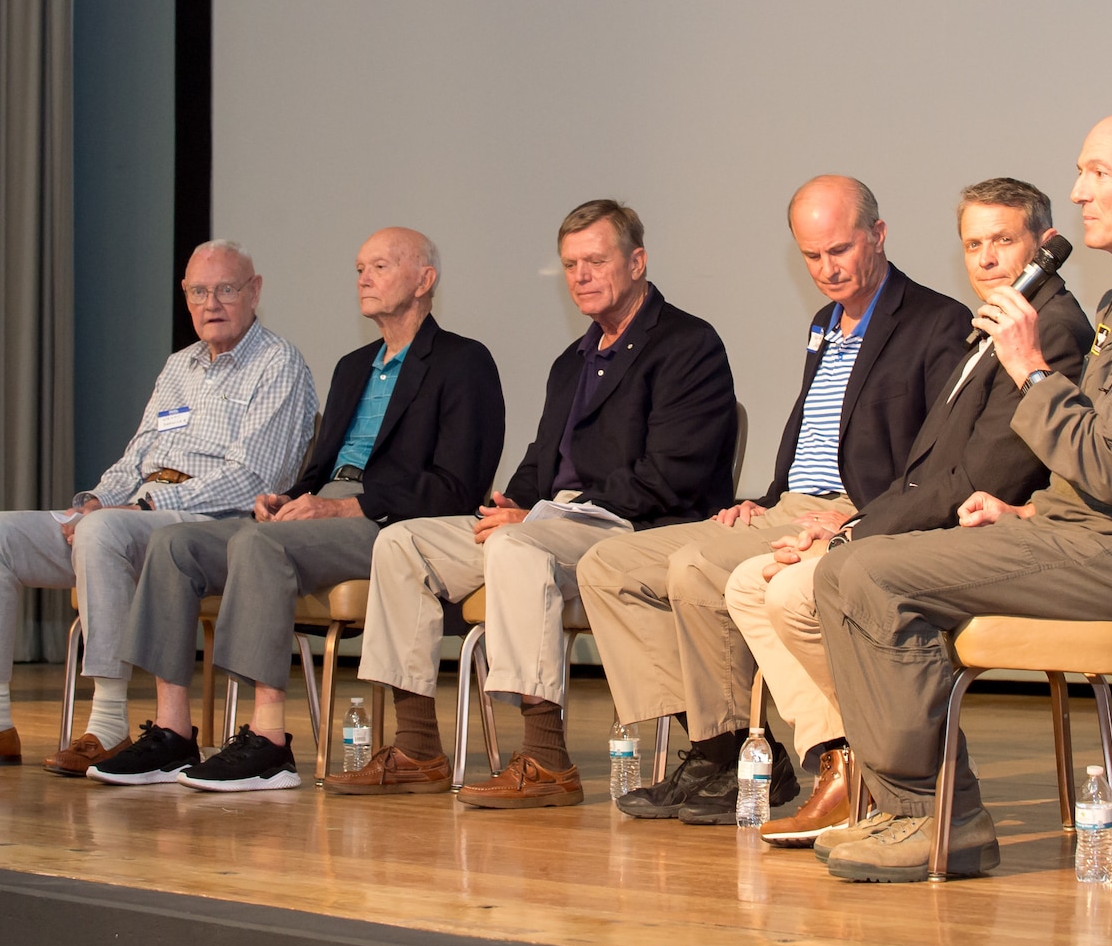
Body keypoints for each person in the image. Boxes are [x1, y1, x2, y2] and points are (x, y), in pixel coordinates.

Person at [815, 110, 1112, 882]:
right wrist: (1024, 511)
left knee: (863, 573)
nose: (1079, 192)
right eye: (1081, 173)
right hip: (1089, 536)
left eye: (1098, 173)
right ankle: (904, 807)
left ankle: (938, 813)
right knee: (857, 566)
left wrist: (1032, 370)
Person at [579, 176, 971, 826]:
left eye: (839, 249)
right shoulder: (824, 323)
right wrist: (760, 500)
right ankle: (711, 745)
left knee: (697, 566)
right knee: (609, 565)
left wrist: (865, 514)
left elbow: (938, 453)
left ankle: (743, 754)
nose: (826, 269)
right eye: (811, 256)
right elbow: (814, 433)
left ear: (878, 234)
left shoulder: (935, 321)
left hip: (852, 511)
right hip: (788, 503)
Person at [328, 199, 737, 807]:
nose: (581, 276)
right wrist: (512, 501)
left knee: (516, 545)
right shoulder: (570, 362)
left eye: (596, 260)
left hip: (631, 524)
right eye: (570, 264)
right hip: (555, 521)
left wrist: (537, 517)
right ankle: (416, 748)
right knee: (402, 541)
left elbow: (671, 475)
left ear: (638, 262)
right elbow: (543, 459)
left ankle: (546, 758)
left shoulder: (687, 344)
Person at [723, 178, 1093, 846]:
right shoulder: (997, 325)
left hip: (984, 540)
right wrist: (840, 526)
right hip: (932, 522)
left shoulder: (1049, 329)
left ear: (1044, 244)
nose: (984, 259)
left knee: (804, 587)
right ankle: (845, 763)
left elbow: (981, 476)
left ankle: (896, 780)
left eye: (1002, 241)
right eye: (973, 244)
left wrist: (853, 536)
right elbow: (925, 470)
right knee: (751, 583)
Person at [88, 228, 504, 790]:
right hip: (319, 518)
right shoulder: (353, 366)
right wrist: (287, 498)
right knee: (175, 543)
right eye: (360, 266)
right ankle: (172, 733)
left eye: (380, 266)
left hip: (389, 526)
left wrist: (344, 510)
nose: (363, 277)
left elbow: (457, 486)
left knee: (257, 544)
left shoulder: (463, 361)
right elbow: (318, 470)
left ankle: (268, 741)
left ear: (425, 280)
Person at [0, 239, 316, 769]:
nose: (211, 303)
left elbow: (254, 479)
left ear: (255, 292)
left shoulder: (277, 363)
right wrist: (97, 500)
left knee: (103, 534)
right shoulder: (179, 366)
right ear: (185, 298)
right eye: (198, 291)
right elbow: (136, 456)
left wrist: (137, 510)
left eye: (226, 289)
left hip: (213, 530)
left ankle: (109, 724)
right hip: (137, 515)